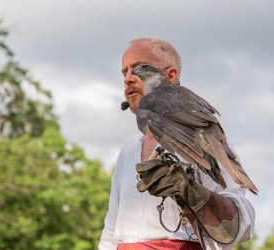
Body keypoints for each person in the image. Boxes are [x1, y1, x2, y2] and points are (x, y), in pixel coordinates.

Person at [98, 37, 255, 250]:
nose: (128, 78)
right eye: (123, 72)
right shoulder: (128, 148)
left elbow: (241, 226)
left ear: (170, 76)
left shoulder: (205, 137)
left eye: (137, 68)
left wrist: (194, 195)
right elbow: (110, 230)